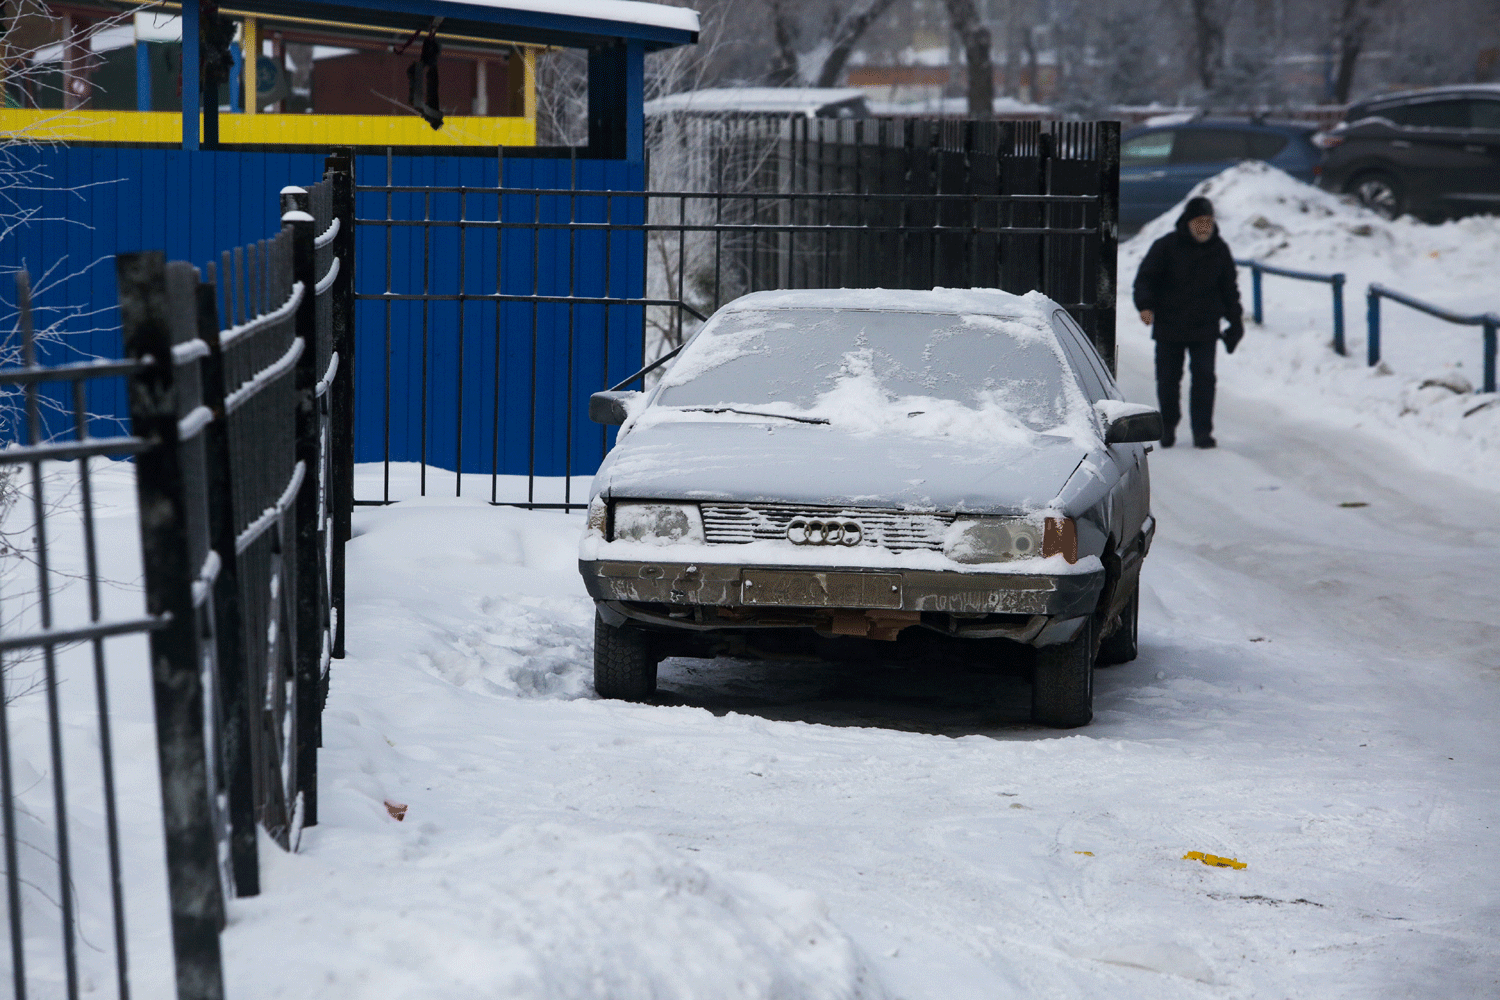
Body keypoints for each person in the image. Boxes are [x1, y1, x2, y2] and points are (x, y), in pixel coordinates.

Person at [1132, 196, 1244, 449]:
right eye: (1200, 222)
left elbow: (1229, 288)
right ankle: (1169, 426)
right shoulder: (1166, 246)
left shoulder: (1219, 249)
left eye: (1209, 222)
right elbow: (1145, 279)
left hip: (1205, 327)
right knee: (1168, 380)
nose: (1205, 227)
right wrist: (1145, 306)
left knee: (1205, 379)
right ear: (1188, 222)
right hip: (1169, 326)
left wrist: (1235, 320)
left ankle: (1202, 431)